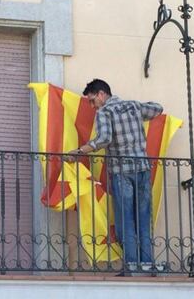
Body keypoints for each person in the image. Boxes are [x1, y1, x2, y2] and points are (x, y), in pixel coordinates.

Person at [68, 79, 163, 274]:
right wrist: (137, 108)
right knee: (143, 217)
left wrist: (79, 151)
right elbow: (157, 109)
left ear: (102, 94)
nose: (93, 106)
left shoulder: (105, 112)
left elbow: (103, 139)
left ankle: (131, 265)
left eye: (93, 101)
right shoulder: (134, 106)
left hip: (121, 172)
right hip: (143, 169)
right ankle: (146, 263)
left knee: (125, 218)